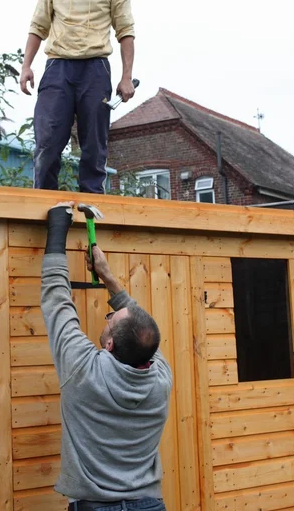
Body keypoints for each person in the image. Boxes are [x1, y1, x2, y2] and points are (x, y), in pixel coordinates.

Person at [41, 201, 172, 511]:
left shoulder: (84, 371)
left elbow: (57, 301)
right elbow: (140, 325)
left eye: (110, 320)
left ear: (109, 344)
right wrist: (108, 276)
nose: (108, 317)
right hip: (149, 505)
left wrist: (57, 227)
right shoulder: (160, 378)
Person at [20, 0, 136, 194]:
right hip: (58, 67)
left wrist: (126, 76)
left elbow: (126, 32)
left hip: (95, 69)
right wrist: (26, 66)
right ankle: (45, 199)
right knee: (48, 140)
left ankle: (92, 202)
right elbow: (38, 27)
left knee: (94, 142)